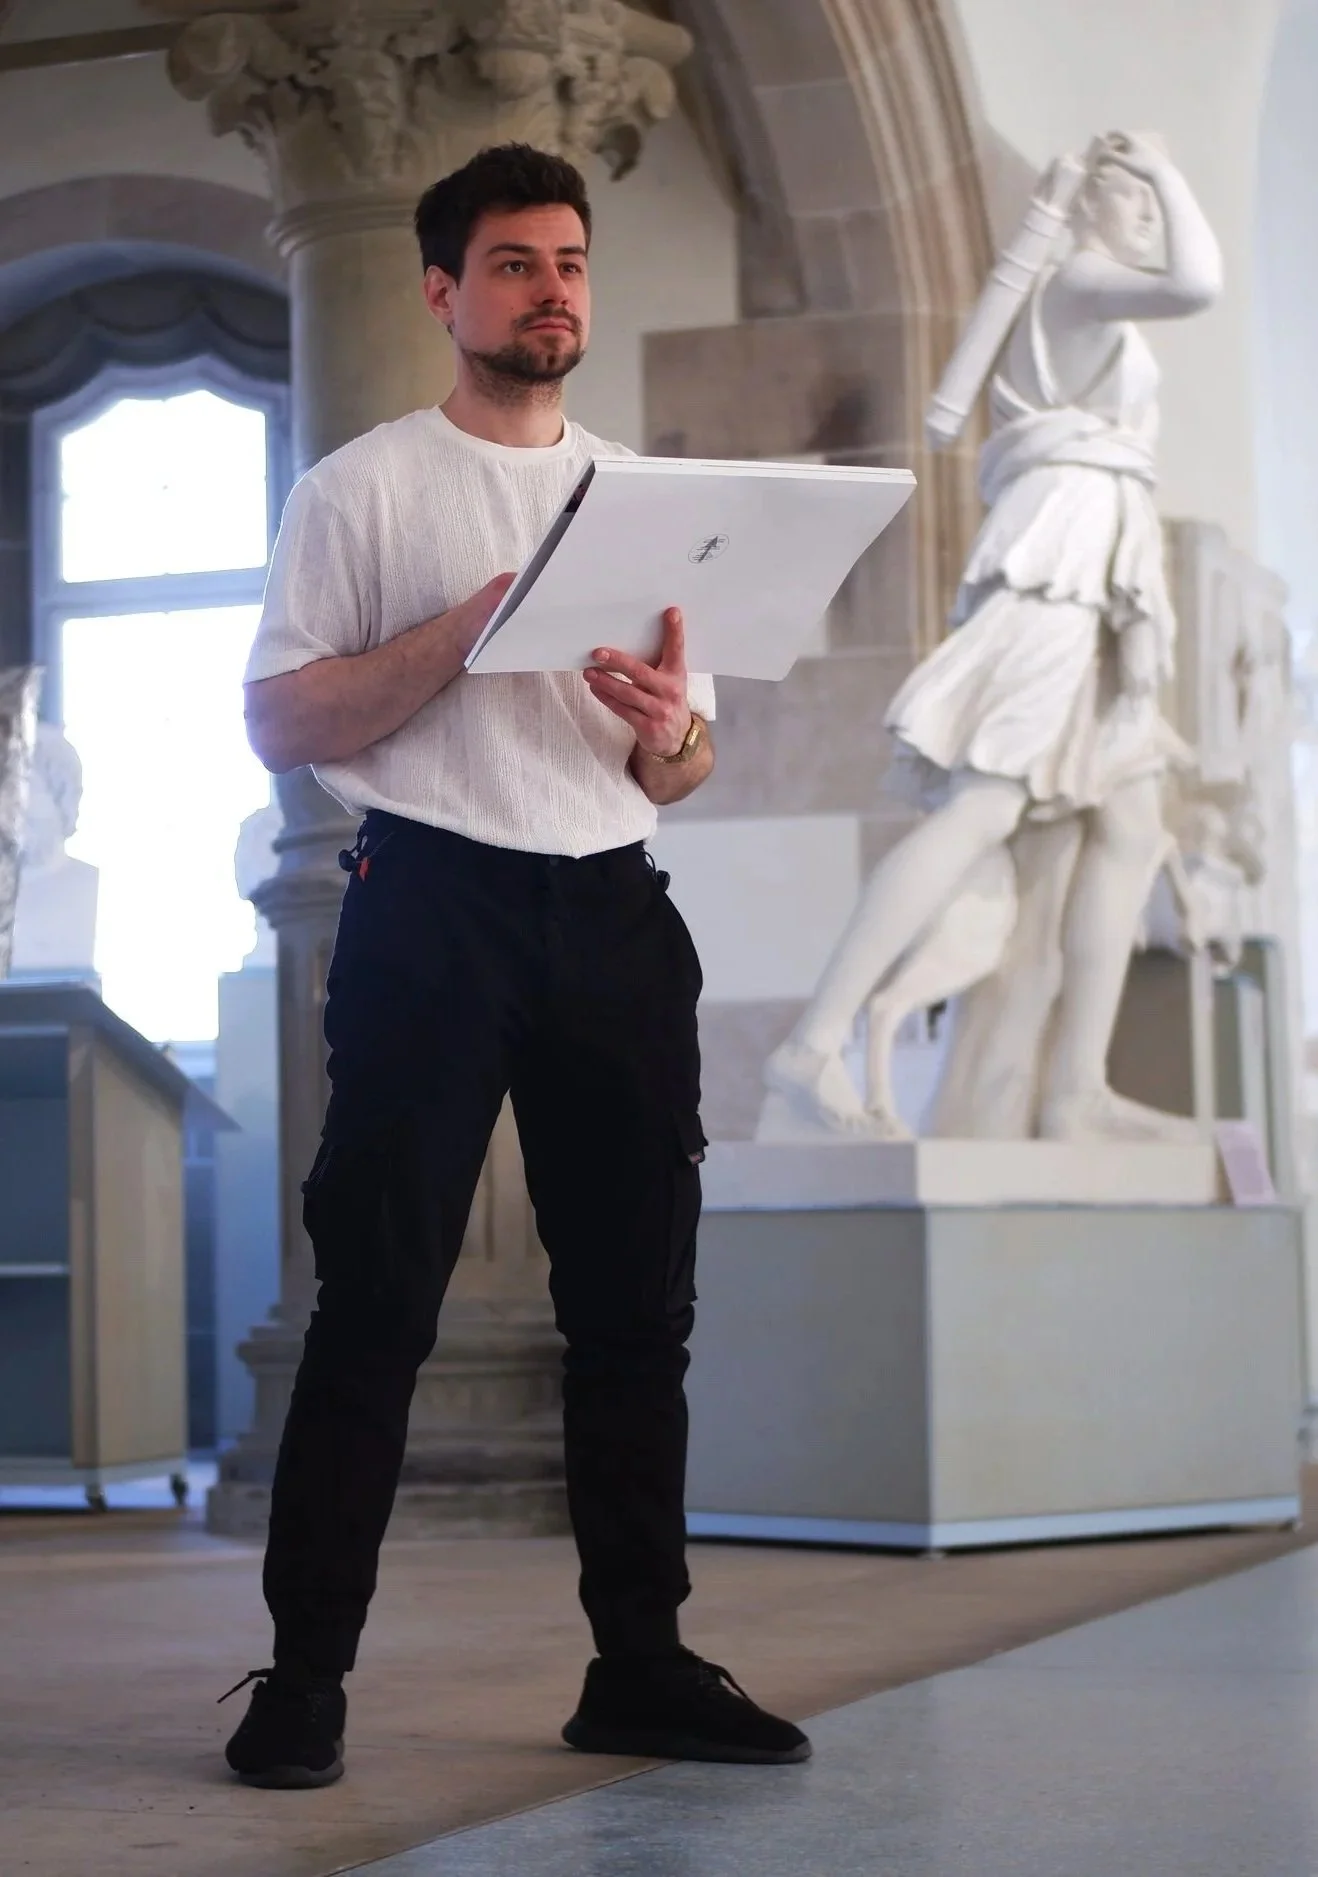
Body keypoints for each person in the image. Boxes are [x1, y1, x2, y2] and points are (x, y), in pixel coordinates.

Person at [219, 143, 810, 1789]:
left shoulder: (643, 495)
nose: (550, 290)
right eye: (511, 264)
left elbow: (682, 767)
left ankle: (638, 1661)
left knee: (635, 1316)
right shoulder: (362, 487)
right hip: (430, 910)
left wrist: (666, 733)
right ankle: (304, 1677)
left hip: (613, 907)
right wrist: (469, 629)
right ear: (440, 291)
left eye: (567, 262)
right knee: (377, 1303)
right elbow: (280, 719)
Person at [766, 132, 1222, 1142]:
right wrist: (1165, 165)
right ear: (1094, 208)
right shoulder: (1075, 280)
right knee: (982, 804)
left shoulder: (1075, 289)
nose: (1148, 217)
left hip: (1104, 570)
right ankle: (812, 1041)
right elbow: (1199, 283)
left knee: (1131, 824)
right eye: (1135, 203)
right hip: (1056, 567)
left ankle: (1072, 1088)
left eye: (1151, 204)